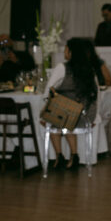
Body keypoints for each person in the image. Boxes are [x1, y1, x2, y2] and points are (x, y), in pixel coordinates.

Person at [42, 38, 98, 171]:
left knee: (52, 117)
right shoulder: (90, 69)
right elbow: (97, 94)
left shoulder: (63, 67)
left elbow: (47, 92)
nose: (64, 52)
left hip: (69, 116)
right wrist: (95, 117)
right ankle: (74, 156)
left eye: (66, 49)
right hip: (85, 117)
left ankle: (59, 156)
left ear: (71, 52)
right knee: (64, 118)